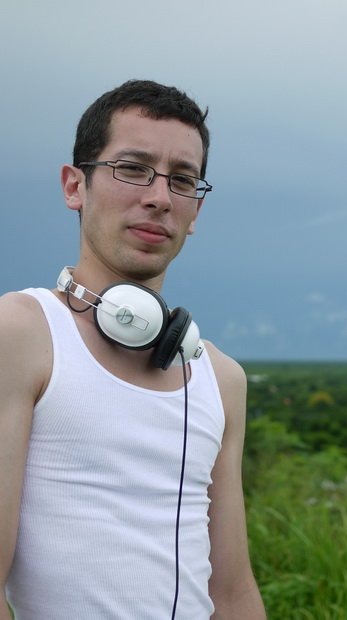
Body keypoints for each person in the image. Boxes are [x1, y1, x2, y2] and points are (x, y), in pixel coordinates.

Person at [0, 80, 267, 620]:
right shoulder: (22, 333)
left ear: (196, 211)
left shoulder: (220, 378)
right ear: (75, 186)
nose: (159, 198)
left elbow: (233, 591)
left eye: (182, 180)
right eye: (132, 168)